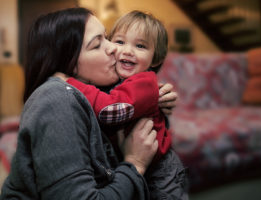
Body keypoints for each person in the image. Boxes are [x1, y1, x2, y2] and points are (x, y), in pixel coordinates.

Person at [0, 7, 177, 199]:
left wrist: (154, 99)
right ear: (70, 63)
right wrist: (135, 163)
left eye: (107, 37)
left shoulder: (85, 93)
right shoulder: (57, 99)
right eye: (97, 44)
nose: (114, 48)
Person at [62, 10, 188, 199]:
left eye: (140, 46)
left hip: (160, 172)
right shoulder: (112, 79)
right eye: (120, 42)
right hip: (131, 163)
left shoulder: (144, 83)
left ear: (156, 59)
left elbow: (109, 109)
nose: (127, 51)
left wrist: (70, 83)